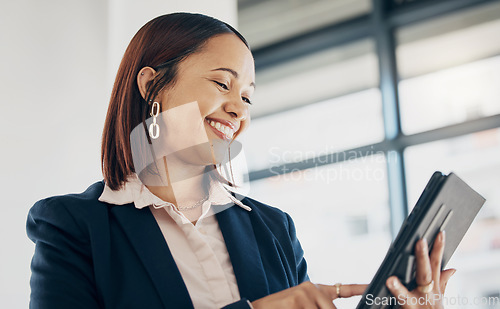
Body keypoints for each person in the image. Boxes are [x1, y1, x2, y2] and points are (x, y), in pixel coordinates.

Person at [27, 13, 455, 309]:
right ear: (151, 84)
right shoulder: (73, 227)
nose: (239, 109)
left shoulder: (272, 228)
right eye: (222, 84)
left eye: (248, 96)